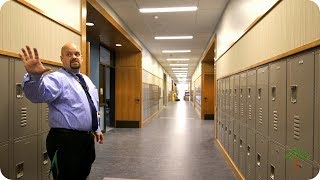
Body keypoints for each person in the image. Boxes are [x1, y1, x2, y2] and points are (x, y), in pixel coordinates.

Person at [20, 43, 104, 180]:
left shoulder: (86, 80)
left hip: (86, 140)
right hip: (65, 141)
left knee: (83, 175)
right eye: (69, 54)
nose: (74, 57)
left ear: (82, 58)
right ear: (62, 58)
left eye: (76, 54)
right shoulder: (57, 78)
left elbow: (91, 107)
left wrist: (97, 128)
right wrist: (35, 78)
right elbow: (37, 95)